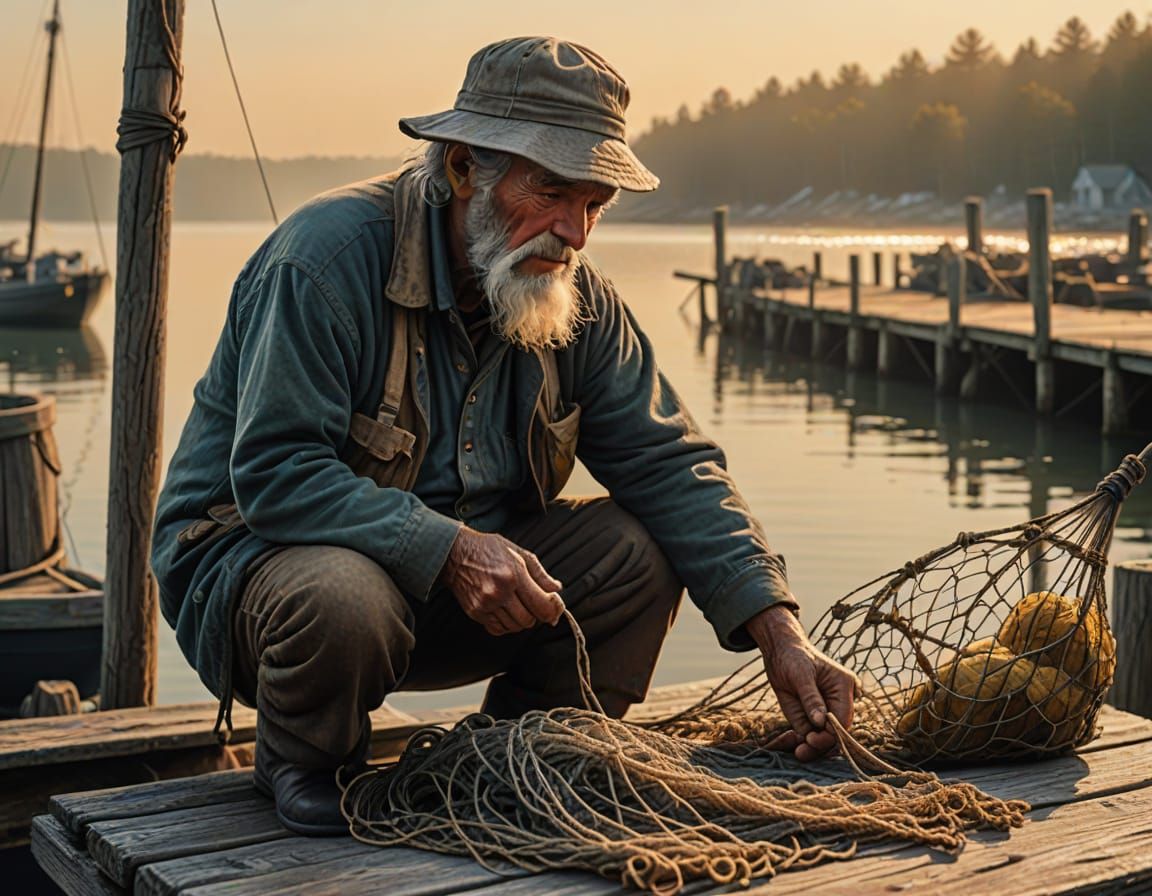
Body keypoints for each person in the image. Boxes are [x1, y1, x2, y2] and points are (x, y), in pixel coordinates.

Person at [151, 36, 857, 837]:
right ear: (461, 168)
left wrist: (779, 628)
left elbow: (671, 463)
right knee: (343, 597)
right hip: (265, 587)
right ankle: (305, 760)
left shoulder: (573, 292)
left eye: (595, 204)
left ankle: (534, 752)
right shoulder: (323, 260)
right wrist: (451, 548)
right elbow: (276, 476)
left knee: (642, 548)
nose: (576, 232)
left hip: (458, 594)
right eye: (553, 191)